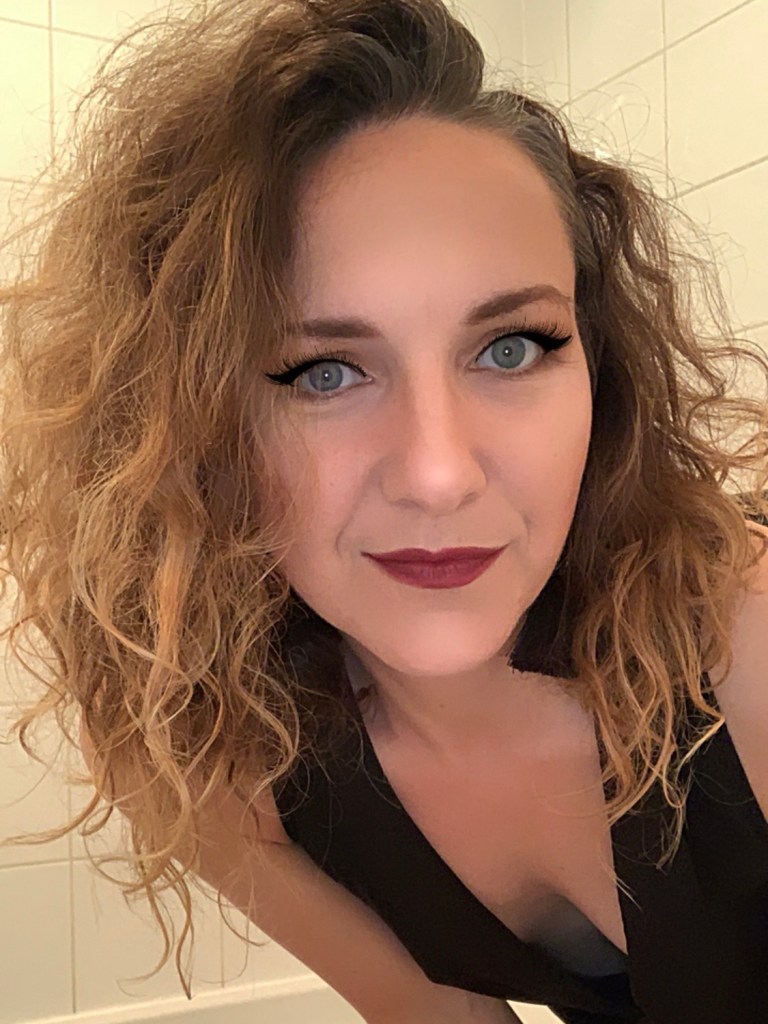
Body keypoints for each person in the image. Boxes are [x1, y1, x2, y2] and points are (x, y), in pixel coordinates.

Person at [1, 1, 767, 1022]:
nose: (439, 475)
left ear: (602, 372)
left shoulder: (748, 645)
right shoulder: (224, 766)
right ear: (186, 428)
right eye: (324, 371)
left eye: (511, 349)